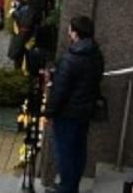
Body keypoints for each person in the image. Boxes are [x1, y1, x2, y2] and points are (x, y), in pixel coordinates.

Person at [44, 16, 104, 193]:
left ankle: (66, 188)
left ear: (76, 33)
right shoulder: (96, 54)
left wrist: (49, 112)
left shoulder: (72, 58)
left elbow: (60, 90)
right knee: (78, 151)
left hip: (67, 114)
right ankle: (72, 186)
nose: (68, 33)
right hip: (85, 111)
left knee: (65, 153)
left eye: (70, 30)